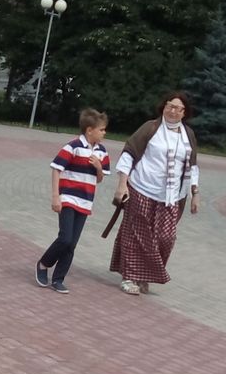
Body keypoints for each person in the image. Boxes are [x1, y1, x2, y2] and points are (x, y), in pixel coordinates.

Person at [109, 91, 200, 295]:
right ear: (164, 106)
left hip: (171, 196)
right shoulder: (150, 127)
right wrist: (122, 184)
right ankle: (130, 277)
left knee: (166, 238)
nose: (173, 111)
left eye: (178, 109)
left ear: (184, 112)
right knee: (136, 234)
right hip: (142, 188)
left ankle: (144, 274)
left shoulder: (188, 135)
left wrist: (195, 193)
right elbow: (129, 153)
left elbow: (192, 165)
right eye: (170, 106)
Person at [36, 108, 111, 294]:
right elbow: (56, 169)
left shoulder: (102, 152)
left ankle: (58, 279)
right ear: (89, 130)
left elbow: (99, 179)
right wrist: (56, 196)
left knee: (72, 244)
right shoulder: (73, 146)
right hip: (68, 199)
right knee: (65, 238)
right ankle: (44, 263)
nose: (104, 133)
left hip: (85, 202)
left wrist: (98, 167)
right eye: (101, 129)